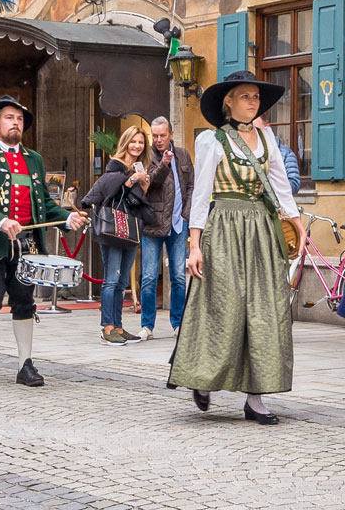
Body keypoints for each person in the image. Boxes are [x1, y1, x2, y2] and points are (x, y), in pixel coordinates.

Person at [169, 70, 303, 425]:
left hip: (260, 229)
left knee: (263, 311)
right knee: (222, 306)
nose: (253, 101)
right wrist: (194, 246)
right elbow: (200, 196)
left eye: (256, 97)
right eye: (246, 96)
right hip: (224, 226)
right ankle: (202, 377)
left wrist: (298, 226)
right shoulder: (212, 141)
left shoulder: (266, 138)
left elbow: (280, 187)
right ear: (228, 101)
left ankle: (255, 400)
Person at [0, 95, 86, 385]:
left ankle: (25, 364)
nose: (15, 123)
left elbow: (44, 203)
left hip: (27, 246)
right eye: (9, 118)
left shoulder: (34, 160)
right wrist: (1, 222)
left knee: (24, 302)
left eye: (19, 119)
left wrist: (66, 218)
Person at [80, 127, 156, 346]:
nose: (137, 146)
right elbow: (108, 192)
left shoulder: (137, 169)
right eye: (133, 141)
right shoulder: (115, 166)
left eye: (141, 142)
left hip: (130, 229)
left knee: (122, 281)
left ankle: (119, 327)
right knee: (111, 279)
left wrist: (144, 186)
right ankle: (107, 328)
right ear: (126, 143)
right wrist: (132, 180)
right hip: (113, 228)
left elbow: (134, 201)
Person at [139, 116, 194, 340]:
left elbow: (191, 185)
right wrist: (162, 165)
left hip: (179, 223)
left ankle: (178, 323)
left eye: (163, 135)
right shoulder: (146, 156)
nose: (159, 140)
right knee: (150, 277)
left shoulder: (183, 154)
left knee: (179, 276)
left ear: (171, 134)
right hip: (153, 223)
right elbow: (149, 184)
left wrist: (187, 214)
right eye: (155, 136)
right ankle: (147, 325)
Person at [254, 114, 300, 194]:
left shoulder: (286, 153)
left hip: (273, 205)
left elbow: (294, 185)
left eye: (256, 129)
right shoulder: (241, 153)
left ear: (267, 128)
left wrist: (262, 186)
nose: (252, 134)